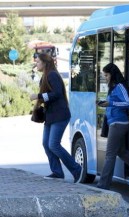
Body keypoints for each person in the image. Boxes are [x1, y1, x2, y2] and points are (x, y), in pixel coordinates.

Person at [29, 53, 83, 183]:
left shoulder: (52, 74)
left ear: (45, 63)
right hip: (51, 115)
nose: (36, 64)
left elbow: (57, 93)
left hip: (59, 115)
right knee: (46, 144)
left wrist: (39, 96)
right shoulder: (46, 76)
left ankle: (77, 170)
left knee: (53, 144)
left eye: (38, 62)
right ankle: (57, 172)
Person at [96, 63, 129, 190]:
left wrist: (110, 103)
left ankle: (103, 184)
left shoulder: (119, 86)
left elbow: (128, 103)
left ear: (112, 74)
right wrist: (105, 104)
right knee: (121, 152)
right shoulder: (113, 87)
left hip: (118, 124)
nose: (105, 78)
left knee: (110, 154)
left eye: (106, 75)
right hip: (116, 123)